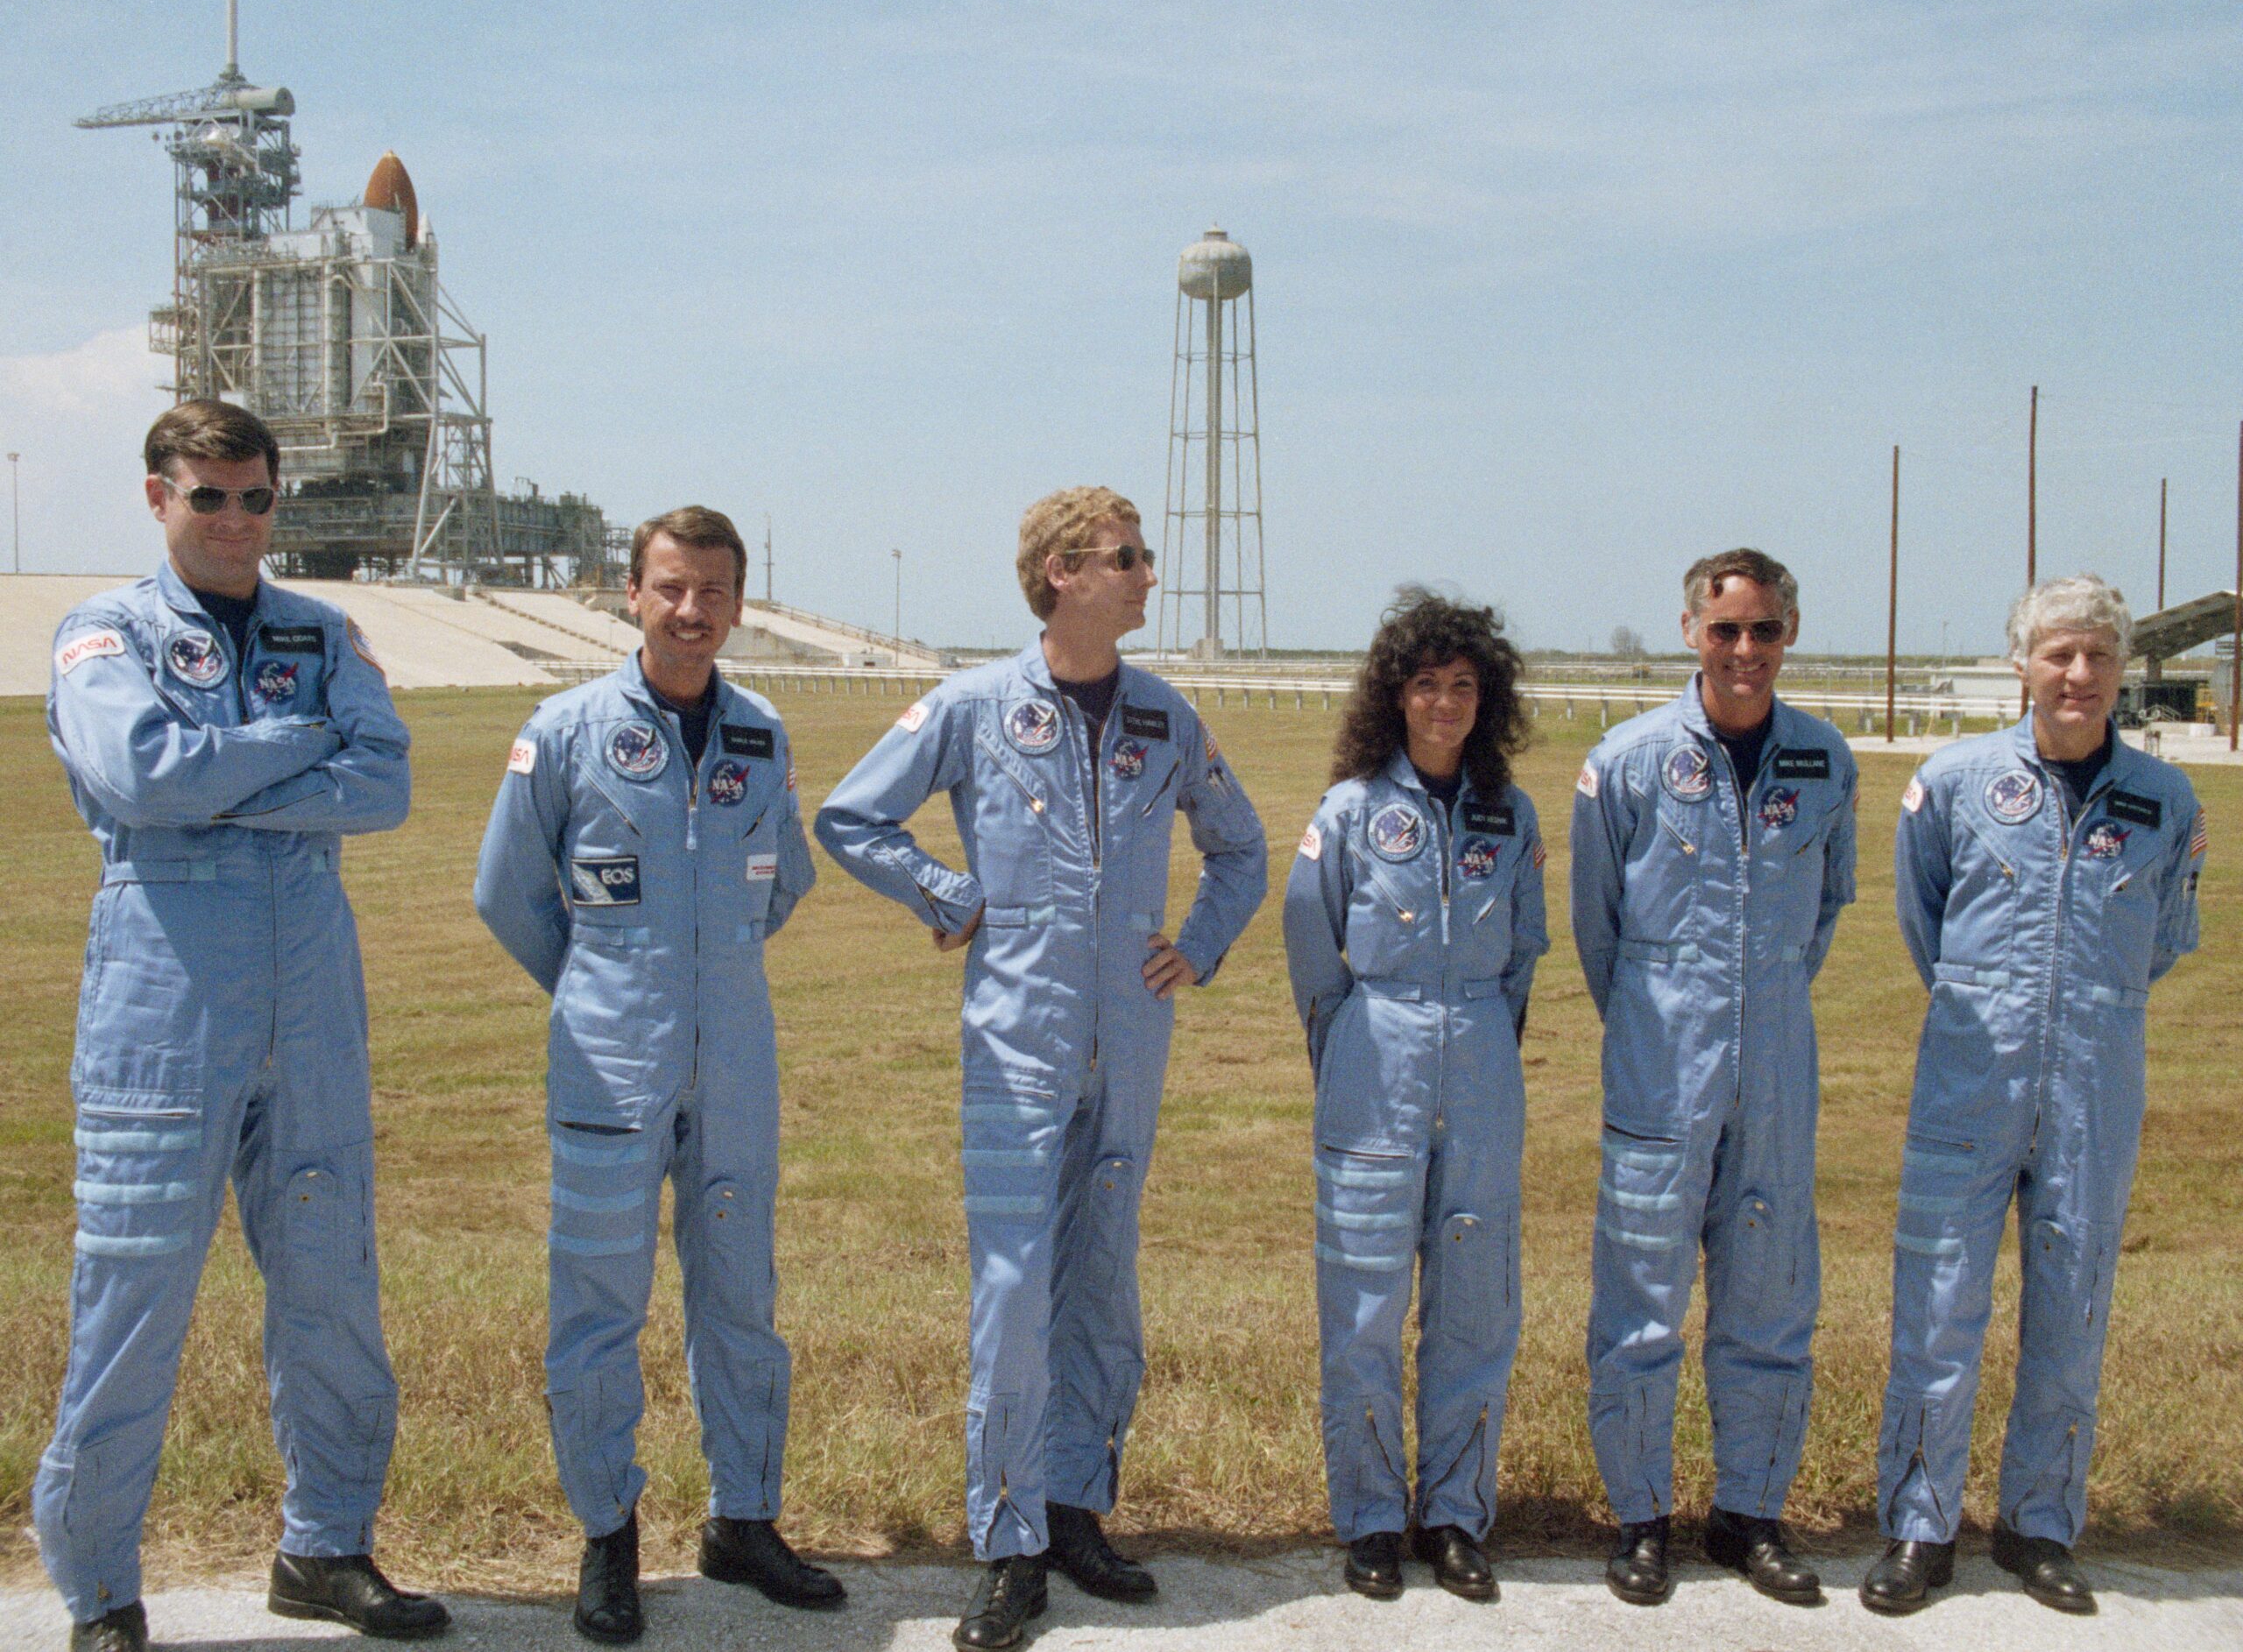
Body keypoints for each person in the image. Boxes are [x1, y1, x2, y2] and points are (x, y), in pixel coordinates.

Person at [816, 485, 1267, 1650]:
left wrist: (1199, 947)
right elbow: (853, 817)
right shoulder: (973, 706)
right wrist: (945, 893)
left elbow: (1243, 849)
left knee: (1102, 1281)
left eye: (1143, 557)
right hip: (1018, 1046)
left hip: (1131, 1046)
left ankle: (1075, 1506)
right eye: (1126, 558)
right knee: (1015, 1294)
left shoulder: (1165, 717)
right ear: (1062, 571)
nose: (1146, 575)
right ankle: (1007, 1543)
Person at [36, 401, 442, 1652]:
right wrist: (296, 742)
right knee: (134, 1295)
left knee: (332, 1287)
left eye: (255, 497)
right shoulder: (104, 633)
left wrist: (225, 772)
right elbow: (142, 776)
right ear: (158, 497)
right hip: (166, 990)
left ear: (278, 502)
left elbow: (384, 784)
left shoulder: (325, 630)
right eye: (206, 496)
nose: (233, 520)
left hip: (310, 992)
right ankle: (101, 1584)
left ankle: (325, 1546)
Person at [474, 508, 838, 1645]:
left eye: (715, 592)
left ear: (737, 603)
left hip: (732, 1059)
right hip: (608, 1067)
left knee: (742, 1301)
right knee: (598, 1307)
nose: (693, 611)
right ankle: (607, 1535)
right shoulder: (567, 728)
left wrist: (705, 970)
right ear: (630, 592)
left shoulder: (761, 732)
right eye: (672, 588)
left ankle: (744, 1517)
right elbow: (508, 892)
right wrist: (603, 983)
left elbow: (784, 882)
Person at [1859, 575, 2204, 1617]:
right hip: (1970, 1075)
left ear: (2120, 666)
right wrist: (1995, 1002)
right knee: (1940, 1301)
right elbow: (1923, 916)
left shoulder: (2165, 799)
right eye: (2057, 652)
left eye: (2098, 653)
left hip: (2095, 1081)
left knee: (2073, 1300)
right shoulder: (1956, 780)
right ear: (2020, 662)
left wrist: (2082, 1010)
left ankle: (2039, 1524)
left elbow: (2166, 937)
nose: (2078, 673)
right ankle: (1919, 1527)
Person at [1569, 547, 1857, 1607]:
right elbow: (1596, 925)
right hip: (1658, 1062)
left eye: (1766, 630)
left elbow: (1825, 912)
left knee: (1772, 1300)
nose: (1746, 650)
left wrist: (1757, 1005)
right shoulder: (1630, 759)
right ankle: (1639, 1514)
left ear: (1788, 634)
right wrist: (1665, 1016)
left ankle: (1749, 1514)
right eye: (1726, 628)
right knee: (1641, 1302)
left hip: (1777, 1065)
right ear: (1691, 629)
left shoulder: (1826, 761)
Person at [1282, 589, 1547, 1604]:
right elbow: (1313, 945)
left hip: (1480, 1054)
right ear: (1396, 695)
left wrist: (1479, 1033)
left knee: (1477, 1303)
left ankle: (1454, 1515)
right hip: (1373, 1056)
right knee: (1362, 1303)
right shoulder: (1348, 811)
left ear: (1489, 698)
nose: (1445, 704)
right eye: (1427, 684)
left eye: (1464, 686)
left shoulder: (1508, 811)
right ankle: (1370, 1519)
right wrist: (1351, 1043)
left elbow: (1524, 950)